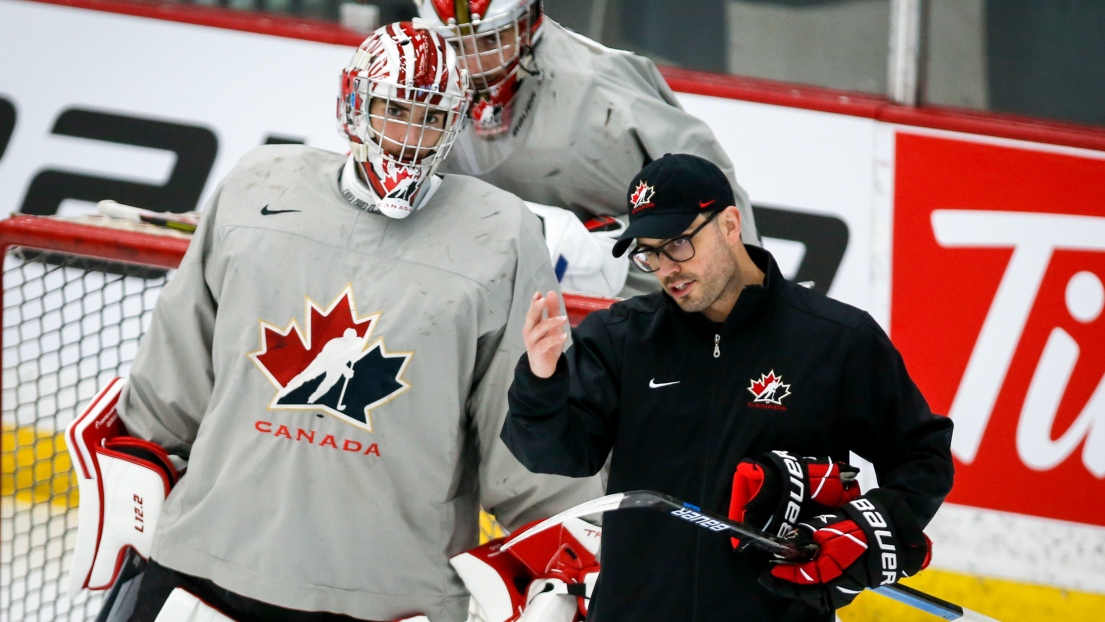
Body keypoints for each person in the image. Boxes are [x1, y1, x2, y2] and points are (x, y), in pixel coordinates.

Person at [80, 22, 602, 622]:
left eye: (431, 118)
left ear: (455, 123)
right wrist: (137, 470)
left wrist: (559, 551)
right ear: (354, 104)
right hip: (205, 572)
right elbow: (174, 380)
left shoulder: (500, 236)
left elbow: (525, 418)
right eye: (395, 109)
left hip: (386, 597)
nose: (410, 137)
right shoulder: (257, 189)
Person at [500, 153, 954, 620]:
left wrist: (866, 526)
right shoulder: (621, 337)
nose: (666, 268)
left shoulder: (835, 341)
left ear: (731, 224)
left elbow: (923, 454)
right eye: (650, 252)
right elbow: (556, 455)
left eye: (678, 243)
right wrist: (541, 379)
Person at [414, 0, 761, 297]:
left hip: (622, 304)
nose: (474, 66)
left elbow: (710, 189)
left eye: (491, 38)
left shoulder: (602, 83)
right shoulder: (411, 86)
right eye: (454, 43)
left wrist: (748, 296)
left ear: (527, 20)